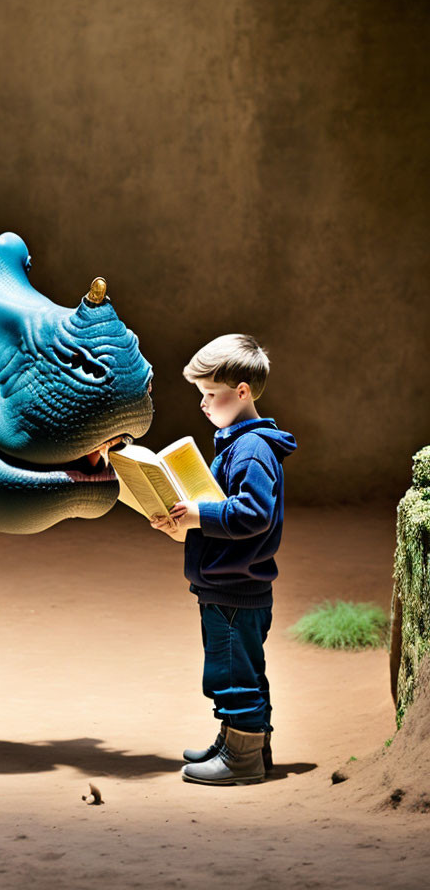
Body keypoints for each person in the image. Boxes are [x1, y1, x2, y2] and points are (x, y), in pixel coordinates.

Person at [151, 334, 297, 785]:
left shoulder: (252, 450)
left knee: (232, 674)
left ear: (242, 393)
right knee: (240, 669)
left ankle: (242, 758)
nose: (203, 405)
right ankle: (242, 741)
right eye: (201, 394)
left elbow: (253, 514)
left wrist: (198, 515)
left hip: (236, 588)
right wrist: (187, 523)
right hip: (226, 583)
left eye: (211, 395)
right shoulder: (237, 444)